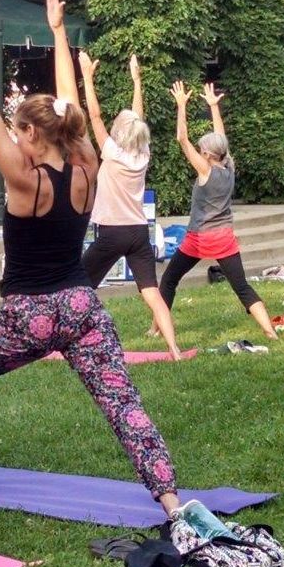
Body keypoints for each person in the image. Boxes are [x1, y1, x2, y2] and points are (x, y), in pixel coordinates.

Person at [0, 0, 181, 517]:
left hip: (29, 314)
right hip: (82, 308)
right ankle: (171, 501)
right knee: (122, 403)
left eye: (18, 131)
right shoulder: (86, 163)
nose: (13, 138)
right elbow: (70, 104)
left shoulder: (22, 177)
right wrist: (58, 33)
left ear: (32, 132)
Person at [79, 52, 183, 359]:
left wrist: (87, 77)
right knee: (151, 292)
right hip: (139, 232)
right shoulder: (143, 154)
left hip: (112, 232)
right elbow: (139, 118)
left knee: (80, 286)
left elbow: (94, 116)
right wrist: (137, 81)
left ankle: (74, 338)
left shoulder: (111, 151)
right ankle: (174, 349)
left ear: (120, 133)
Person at [155, 82, 277, 340]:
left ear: (208, 155)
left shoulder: (205, 170)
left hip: (199, 239)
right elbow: (222, 140)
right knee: (241, 287)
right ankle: (270, 331)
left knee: (168, 280)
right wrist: (213, 107)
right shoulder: (228, 166)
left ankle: (156, 328)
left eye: (202, 151)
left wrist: (181, 106)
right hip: (223, 238)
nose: (199, 152)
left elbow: (181, 139)